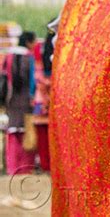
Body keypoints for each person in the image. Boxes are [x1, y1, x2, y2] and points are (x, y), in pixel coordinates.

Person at [4, 31, 37, 174]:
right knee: (26, 133)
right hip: (25, 102)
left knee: (12, 134)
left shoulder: (8, 57)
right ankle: (25, 166)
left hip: (11, 100)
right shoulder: (29, 58)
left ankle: (12, 166)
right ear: (29, 42)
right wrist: (32, 97)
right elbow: (32, 81)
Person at [32, 24, 54, 172]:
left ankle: (45, 164)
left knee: (42, 135)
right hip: (56, 97)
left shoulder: (39, 50)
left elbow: (36, 78)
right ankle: (53, 165)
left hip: (41, 99)